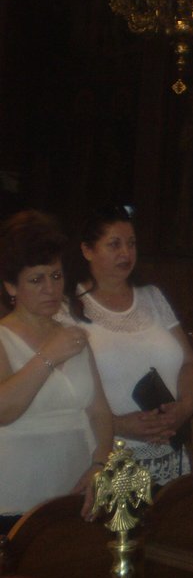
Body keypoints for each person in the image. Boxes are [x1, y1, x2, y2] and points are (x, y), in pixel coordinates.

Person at [68, 206, 193, 487]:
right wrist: (117, 424)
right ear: (87, 250)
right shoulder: (69, 308)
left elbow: (189, 363)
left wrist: (185, 407)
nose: (126, 253)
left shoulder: (152, 296)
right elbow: (66, 394)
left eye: (131, 243)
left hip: (167, 451)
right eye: (114, 244)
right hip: (108, 454)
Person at [0, 210, 112, 533]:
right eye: (36, 280)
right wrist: (48, 356)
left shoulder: (73, 336)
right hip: (15, 498)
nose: (50, 288)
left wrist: (100, 464)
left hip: (74, 493)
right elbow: (4, 411)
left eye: (56, 276)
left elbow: (100, 412)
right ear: (11, 286)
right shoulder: (3, 337)